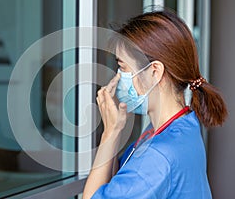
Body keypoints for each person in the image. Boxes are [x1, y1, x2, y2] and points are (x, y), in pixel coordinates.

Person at [82, 10, 228, 199]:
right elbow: (116, 185)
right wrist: (117, 129)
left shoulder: (159, 155)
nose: (118, 77)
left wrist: (109, 133)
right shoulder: (182, 124)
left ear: (154, 72)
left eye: (123, 68)